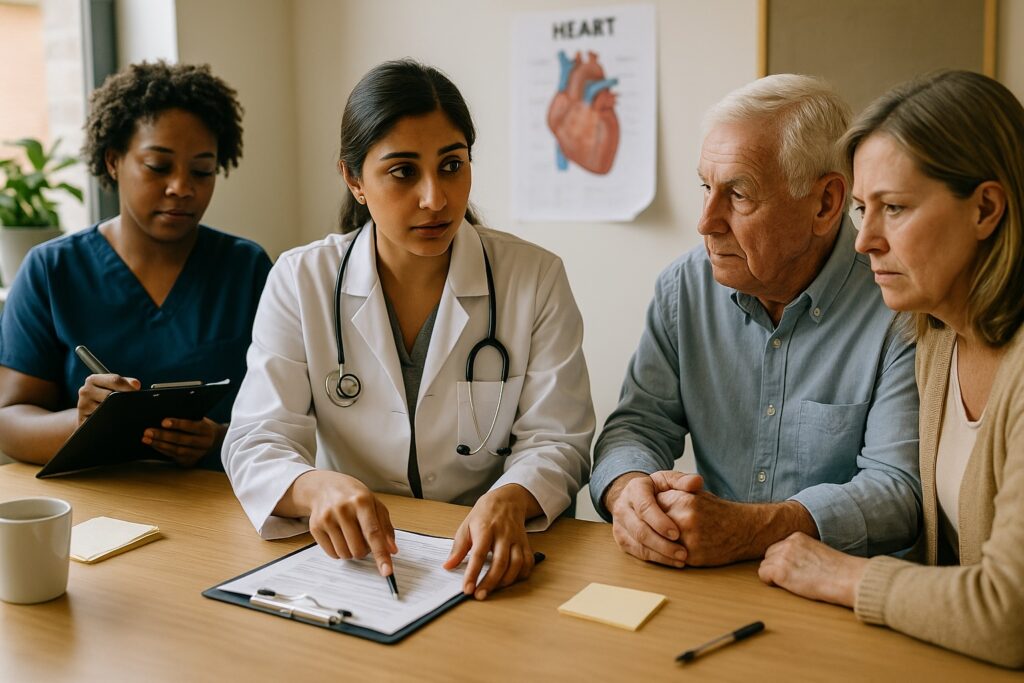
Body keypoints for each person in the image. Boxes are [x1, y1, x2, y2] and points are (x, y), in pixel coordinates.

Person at [223, 60, 594, 601]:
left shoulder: (533, 277)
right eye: (402, 172)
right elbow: (258, 439)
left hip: (485, 557)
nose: (434, 199)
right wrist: (315, 488)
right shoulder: (301, 279)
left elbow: (559, 438)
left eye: (451, 166)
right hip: (362, 561)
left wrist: (512, 496)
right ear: (354, 180)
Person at [590, 74, 921, 568]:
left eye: (739, 195)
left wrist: (751, 530)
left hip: (843, 594)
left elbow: (899, 492)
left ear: (826, 203)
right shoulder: (684, 288)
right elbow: (637, 425)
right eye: (706, 187)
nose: (706, 221)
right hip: (710, 577)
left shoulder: (898, 306)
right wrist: (629, 492)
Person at [758, 70, 1024, 668]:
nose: (864, 241)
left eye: (895, 209)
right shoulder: (934, 333)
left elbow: (1010, 614)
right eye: (860, 210)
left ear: (985, 208)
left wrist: (844, 576)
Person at [0, 61, 272, 470]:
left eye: (202, 170)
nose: (182, 187)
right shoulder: (52, 270)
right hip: (97, 509)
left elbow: (286, 414)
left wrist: (218, 438)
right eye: (158, 167)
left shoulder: (246, 269)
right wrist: (81, 423)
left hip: (217, 504)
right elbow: (10, 420)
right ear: (113, 161)